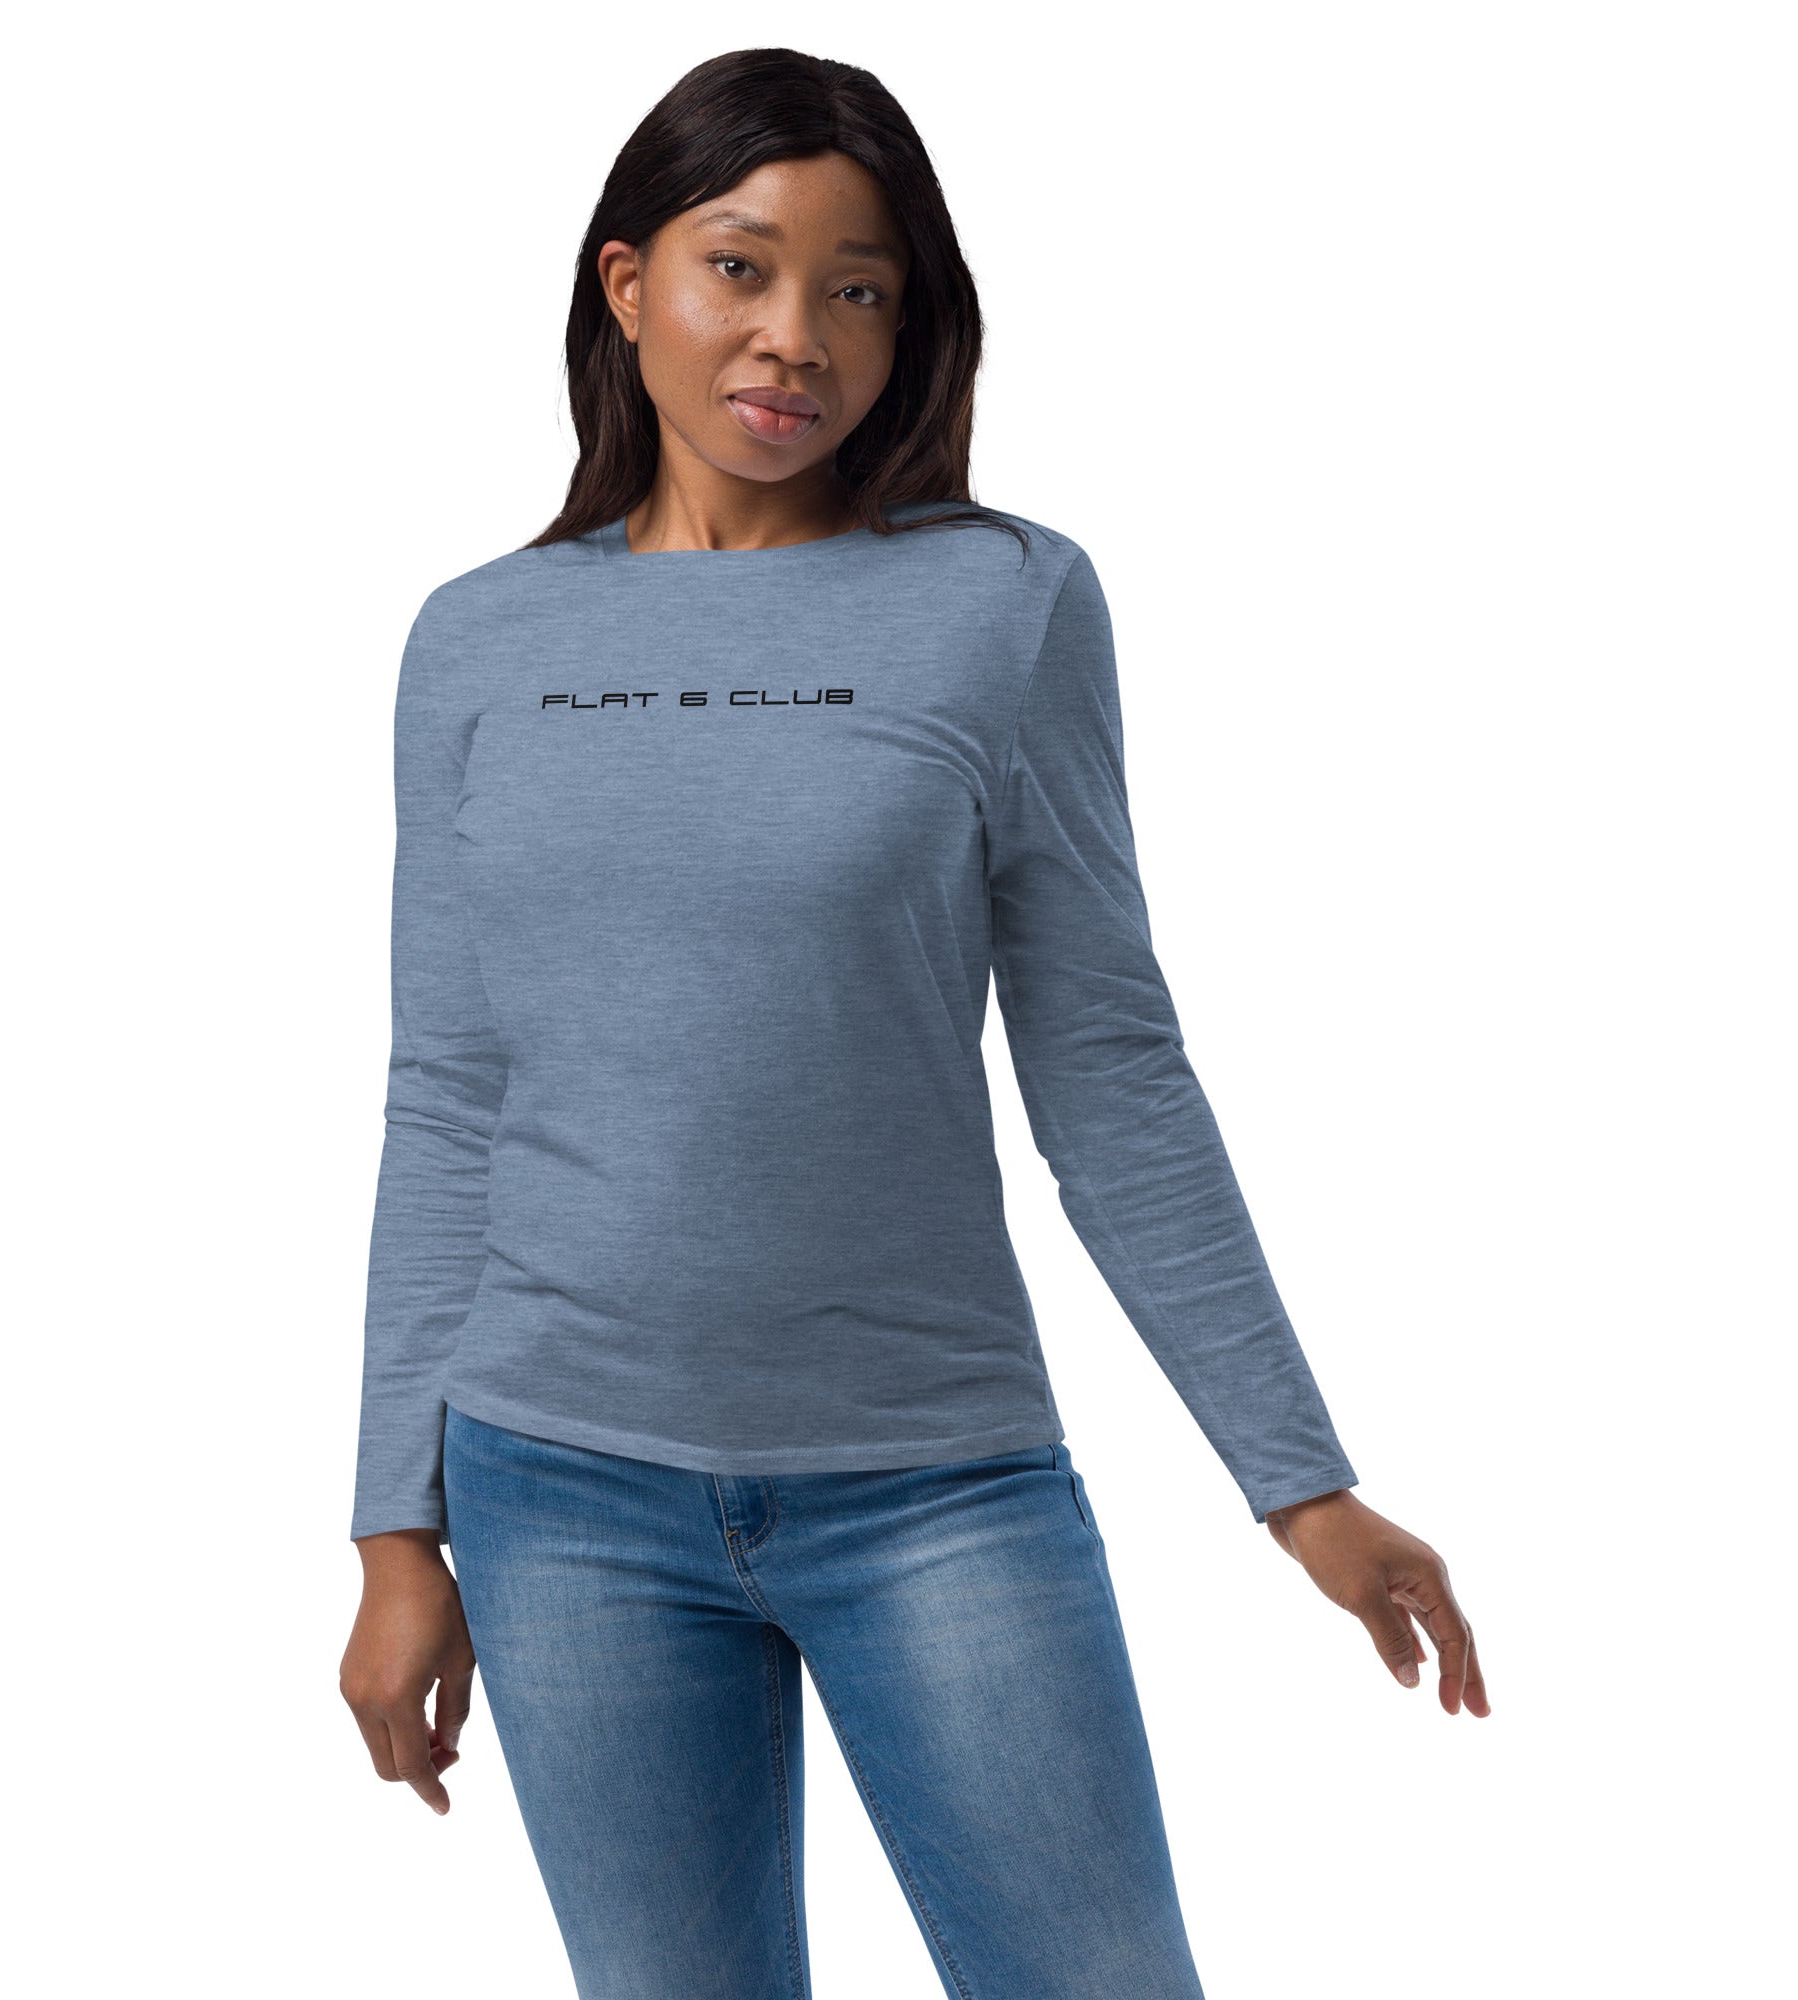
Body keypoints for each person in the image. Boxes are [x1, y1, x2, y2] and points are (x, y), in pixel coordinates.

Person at [339, 46, 1489, 2000]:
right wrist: (397, 1528)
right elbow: (449, 1092)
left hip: (933, 1485)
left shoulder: (1001, 604)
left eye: (857, 288)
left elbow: (1107, 1068)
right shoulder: (478, 638)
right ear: (627, 283)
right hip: (560, 1489)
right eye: (741, 266)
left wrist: (1300, 1485)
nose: (796, 335)